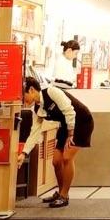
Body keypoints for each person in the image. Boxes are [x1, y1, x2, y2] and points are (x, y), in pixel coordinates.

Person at [16, 77, 94, 208]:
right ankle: (61, 192)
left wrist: (71, 134)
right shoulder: (37, 109)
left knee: (67, 157)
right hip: (66, 125)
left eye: (23, 96)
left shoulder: (52, 92)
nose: (22, 100)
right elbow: (34, 132)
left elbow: (69, 111)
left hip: (81, 122)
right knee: (56, 161)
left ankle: (64, 195)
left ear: (31, 89)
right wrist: (24, 153)